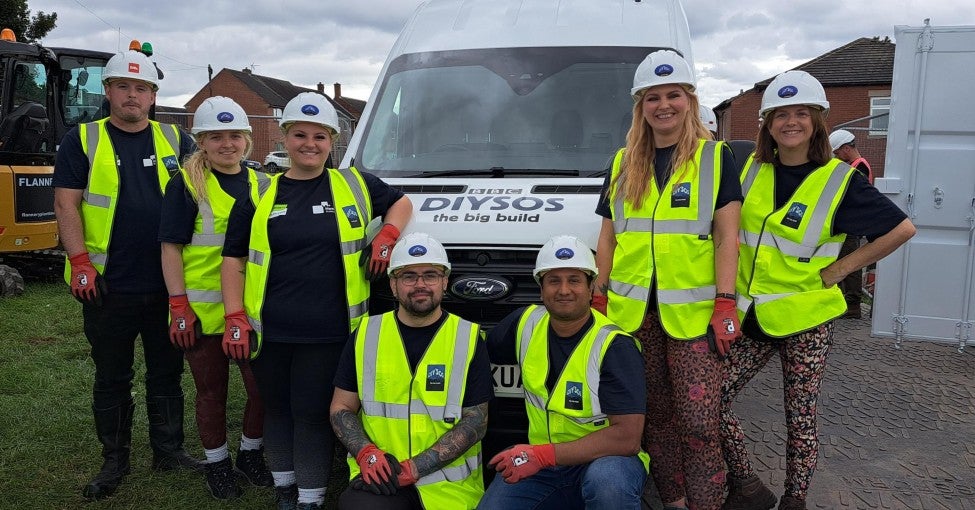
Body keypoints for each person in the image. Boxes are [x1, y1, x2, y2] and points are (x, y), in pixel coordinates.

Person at [720, 70, 915, 510]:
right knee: (711, 400)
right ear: (768, 124)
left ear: (818, 121)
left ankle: (795, 499)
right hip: (754, 316)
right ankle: (748, 485)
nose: (791, 122)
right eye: (781, 115)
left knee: (800, 418)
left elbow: (902, 228)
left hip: (807, 319)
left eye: (801, 113)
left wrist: (841, 269)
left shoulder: (840, 180)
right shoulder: (751, 169)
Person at [220, 91, 412, 510]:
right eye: (301, 135)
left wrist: (387, 236)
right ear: (285, 139)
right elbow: (233, 259)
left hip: (331, 331)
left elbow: (401, 202)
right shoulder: (257, 195)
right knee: (275, 409)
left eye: (320, 136)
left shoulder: (355, 184)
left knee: (311, 412)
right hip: (268, 329)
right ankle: (284, 488)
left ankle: (310, 496)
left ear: (332, 142)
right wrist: (235, 314)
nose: (310, 144)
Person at [593, 49, 743, 510]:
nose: (664, 105)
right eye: (652, 97)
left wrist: (725, 302)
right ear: (641, 107)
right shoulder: (622, 164)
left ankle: (707, 503)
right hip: (634, 316)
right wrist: (599, 292)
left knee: (700, 423)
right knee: (653, 418)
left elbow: (727, 239)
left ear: (690, 100)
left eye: (673, 95)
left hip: (694, 317)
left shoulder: (716, 159)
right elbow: (609, 236)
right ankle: (674, 501)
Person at [53, 49, 200, 500]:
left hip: (167, 285)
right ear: (108, 90)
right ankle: (115, 460)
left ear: (154, 96)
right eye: (124, 87)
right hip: (106, 285)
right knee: (112, 376)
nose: (133, 96)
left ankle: (168, 450)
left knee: (167, 372)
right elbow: (66, 202)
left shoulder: (178, 141)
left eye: (142, 88)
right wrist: (79, 262)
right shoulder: (83, 139)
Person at [480, 235, 649, 510]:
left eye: (574, 280)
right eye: (553, 281)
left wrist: (543, 456)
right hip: (543, 467)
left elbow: (627, 438)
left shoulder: (614, 346)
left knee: (608, 485)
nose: (564, 290)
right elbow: (473, 354)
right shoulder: (525, 323)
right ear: (541, 288)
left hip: (603, 461)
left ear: (591, 286)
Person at [158, 96, 272, 499]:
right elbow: (170, 246)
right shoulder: (188, 183)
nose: (228, 144)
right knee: (212, 391)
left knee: (261, 389)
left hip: (250, 308)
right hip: (203, 311)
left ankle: (250, 454)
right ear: (201, 143)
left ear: (247, 140)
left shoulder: (263, 184)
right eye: (216, 137)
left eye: (235, 136)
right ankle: (217, 463)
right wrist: (178, 306)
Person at [330, 232, 493, 510]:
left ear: (444, 282)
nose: (420, 285)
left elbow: (476, 421)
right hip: (382, 479)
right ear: (393, 284)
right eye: (408, 276)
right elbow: (341, 407)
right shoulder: (366, 334)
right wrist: (367, 453)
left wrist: (413, 468)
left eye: (430, 275)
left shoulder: (467, 338)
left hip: (448, 489)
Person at [828, 129, 874, 318]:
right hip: (847, 223)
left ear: (847, 148)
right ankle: (846, 301)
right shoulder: (854, 165)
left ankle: (853, 304)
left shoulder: (858, 167)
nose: (837, 157)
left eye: (838, 153)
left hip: (851, 224)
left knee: (851, 263)